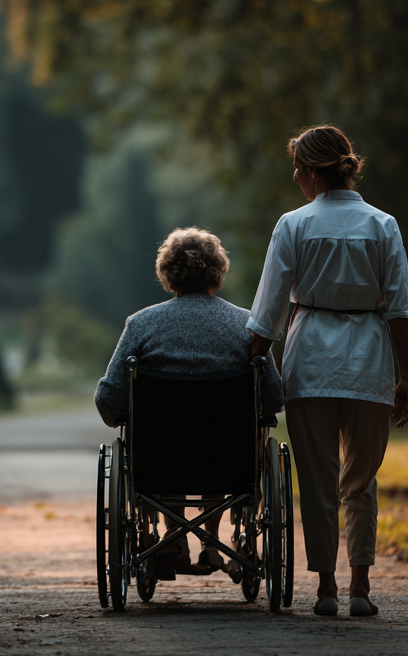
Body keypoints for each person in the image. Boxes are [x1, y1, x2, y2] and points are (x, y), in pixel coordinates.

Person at [246, 124, 408, 618]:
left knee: (317, 480)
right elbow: (401, 311)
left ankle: (325, 587)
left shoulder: (293, 225)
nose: (296, 177)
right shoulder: (383, 225)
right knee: (360, 480)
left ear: (314, 172)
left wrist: (250, 357)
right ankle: (360, 587)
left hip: (312, 362)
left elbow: (268, 313)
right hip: (369, 363)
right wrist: (405, 378)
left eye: (298, 169)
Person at [95, 226, 286, 578]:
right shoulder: (247, 326)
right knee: (222, 437)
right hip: (231, 460)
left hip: (159, 461)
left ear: (168, 274)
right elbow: (273, 398)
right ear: (218, 271)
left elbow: (109, 399)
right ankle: (211, 543)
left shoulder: (141, 324)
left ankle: (173, 538)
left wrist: (124, 415)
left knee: (164, 438)